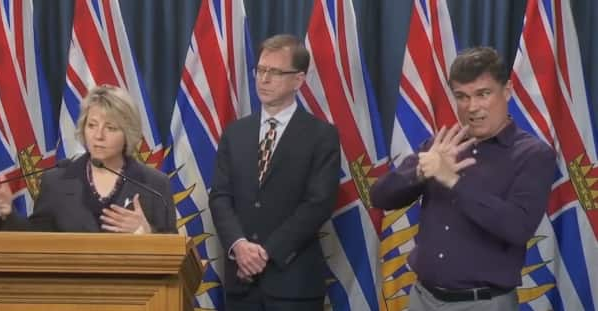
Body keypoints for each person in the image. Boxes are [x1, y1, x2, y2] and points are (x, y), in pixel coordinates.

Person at [370, 47, 556, 310]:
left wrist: (454, 182)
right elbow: (380, 196)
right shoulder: (441, 144)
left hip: (483, 303)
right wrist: (421, 171)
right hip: (422, 298)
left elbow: (517, 227)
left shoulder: (532, 155)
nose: (472, 107)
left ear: (507, 91)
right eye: (462, 96)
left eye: (483, 94)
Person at [209, 34, 340, 310]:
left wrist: (265, 254)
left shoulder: (321, 136)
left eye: (275, 72)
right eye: (260, 70)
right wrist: (239, 246)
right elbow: (220, 196)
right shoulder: (235, 133)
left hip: (293, 284)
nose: (263, 79)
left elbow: (318, 204)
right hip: (241, 286)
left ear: (299, 79)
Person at [0, 84, 176, 233]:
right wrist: (7, 213)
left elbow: (172, 250)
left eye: (110, 128)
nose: (98, 135)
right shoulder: (57, 181)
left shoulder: (154, 185)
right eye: (92, 125)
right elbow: (37, 239)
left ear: (127, 134)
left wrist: (145, 232)